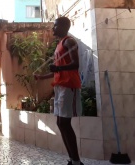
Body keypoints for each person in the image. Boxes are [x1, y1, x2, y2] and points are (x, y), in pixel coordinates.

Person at [34, 16, 83, 165]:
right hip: (60, 86)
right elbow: (57, 70)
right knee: (61, 123)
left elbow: (76, 64)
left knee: (65, 123)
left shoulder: (70, 41)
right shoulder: (60, 45)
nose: (53, 28)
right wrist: (42, 77)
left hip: (69, 85)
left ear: (63, 26)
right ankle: (73, 160)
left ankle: (76, 161)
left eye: (55, 26)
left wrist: (59, 68)